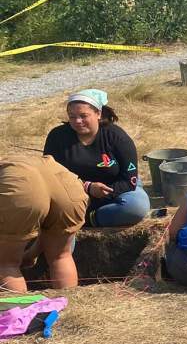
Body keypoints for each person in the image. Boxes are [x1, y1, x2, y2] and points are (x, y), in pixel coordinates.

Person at [42, 89, 150, 228]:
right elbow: (49, 175)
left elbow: (129, 180)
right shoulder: (57, 136)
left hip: (116, 188)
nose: (77, 121)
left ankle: (89, 218)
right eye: (72, 116)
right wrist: (87, 188)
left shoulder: (117, 137)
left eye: (83, 116)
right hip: (72, 191)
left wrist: (101, 195)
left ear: (98, 113)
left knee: (136, 207)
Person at [0, 155, 88, 291]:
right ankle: (69, 307)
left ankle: (18, 311)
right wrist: (31, 254)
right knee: (61, 256)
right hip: (67, 183)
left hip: (21, 186)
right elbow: (48, 229)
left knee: (6, 264)